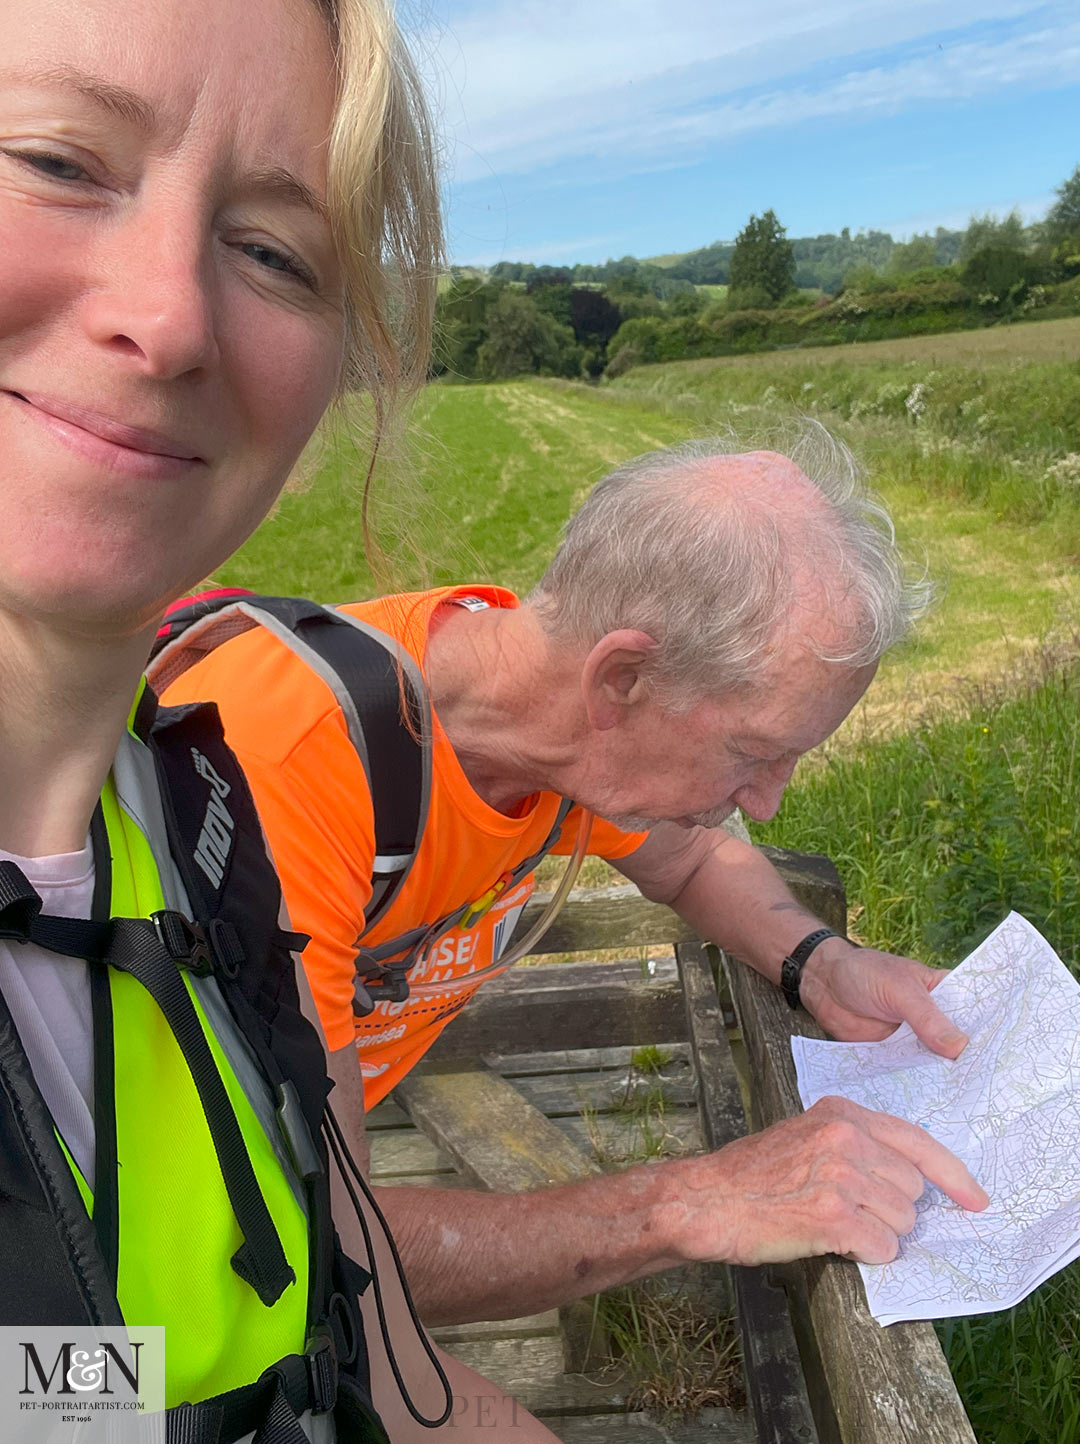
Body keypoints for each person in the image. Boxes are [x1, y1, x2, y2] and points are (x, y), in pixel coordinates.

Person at [0, 0, 564, 1437]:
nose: (172, 315)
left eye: (273, 254)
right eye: (58, 161)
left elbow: (228, 1348)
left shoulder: (187, 816)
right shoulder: (292, 761)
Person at [159, 435, 991, 1330]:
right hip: (110, 1299)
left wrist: (823, 967)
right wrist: (692, 1202)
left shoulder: (550, 714)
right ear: (620, 678)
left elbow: (694, 858)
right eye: (754, 753)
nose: (771, 803)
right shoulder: (286, 767)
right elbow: (319, 1241)